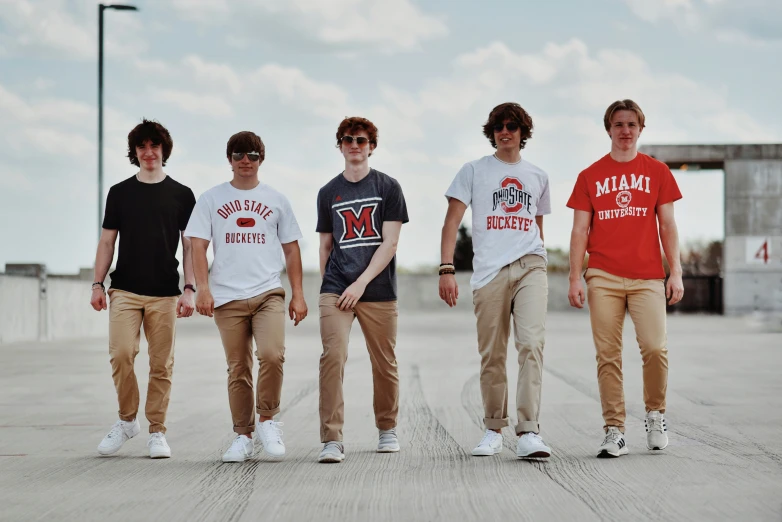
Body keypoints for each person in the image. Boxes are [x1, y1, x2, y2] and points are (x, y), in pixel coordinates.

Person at [566, 99, 684, 458]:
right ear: (608, 129)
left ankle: (655, 414)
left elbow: (667, 224)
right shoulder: (590, 175)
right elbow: (580, 230)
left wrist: (674, 271)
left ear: (641, 129)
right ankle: (614, 429)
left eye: (632, 124)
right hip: (602, 274)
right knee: (608, 355)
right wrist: (575, 277)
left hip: (648, 275)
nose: (625, 130)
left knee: (655, 348)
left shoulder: (658, 172)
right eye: (618, 124)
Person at [185, 131, 307, 463]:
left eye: (253, 155)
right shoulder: (211, 198)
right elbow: (198, 244)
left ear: (261, 159)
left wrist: (298, 295)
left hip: (268, 291)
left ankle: (267, 420)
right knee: (238, 367)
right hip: (226, 297)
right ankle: (243, 435)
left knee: (272, 354)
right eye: (239, 154)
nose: (245, 160)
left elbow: (292, 249)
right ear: (229, 159)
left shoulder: (277, 199)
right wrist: (203, 289)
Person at [439, 102, 552, 459]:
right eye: (500, 127)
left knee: (531, 344)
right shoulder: (473, 171)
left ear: (523, 133)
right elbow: (451, 222)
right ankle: (493, 429)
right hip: (489, 272)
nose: (506, 132)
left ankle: (529, 431)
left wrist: (539, 257)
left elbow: (538, 228)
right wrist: (446, 268)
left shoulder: (537, 175)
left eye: (513, 127)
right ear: (492, 132)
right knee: (493, 354)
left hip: (531, 265)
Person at [91, 119, 196, 459]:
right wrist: (97, 283)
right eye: (142, 147)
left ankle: (157, 431)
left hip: (165, 292)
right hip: (124, 290)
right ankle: (126, 421)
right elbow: (107, 242)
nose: (148, 152)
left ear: (164, 149)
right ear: (135, 152)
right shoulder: (120, 193)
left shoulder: (182, 194)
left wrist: (190, 288)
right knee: (121, 354)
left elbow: (191, 245)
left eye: (154, 145)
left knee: (161, 364)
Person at [316, 116, 409, 463]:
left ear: (371, 146)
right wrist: (330, 285)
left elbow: (390, 243)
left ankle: (387, 429)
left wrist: (361, 282)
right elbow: (326, 245)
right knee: (332, 357)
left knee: (384, 362)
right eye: (348, 139)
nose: (354, 145)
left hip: (377, 288)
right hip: (337, 288)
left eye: (361, 140)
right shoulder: (328, 192)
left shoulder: (388, 187)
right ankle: (332, 439)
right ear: (340, 145)